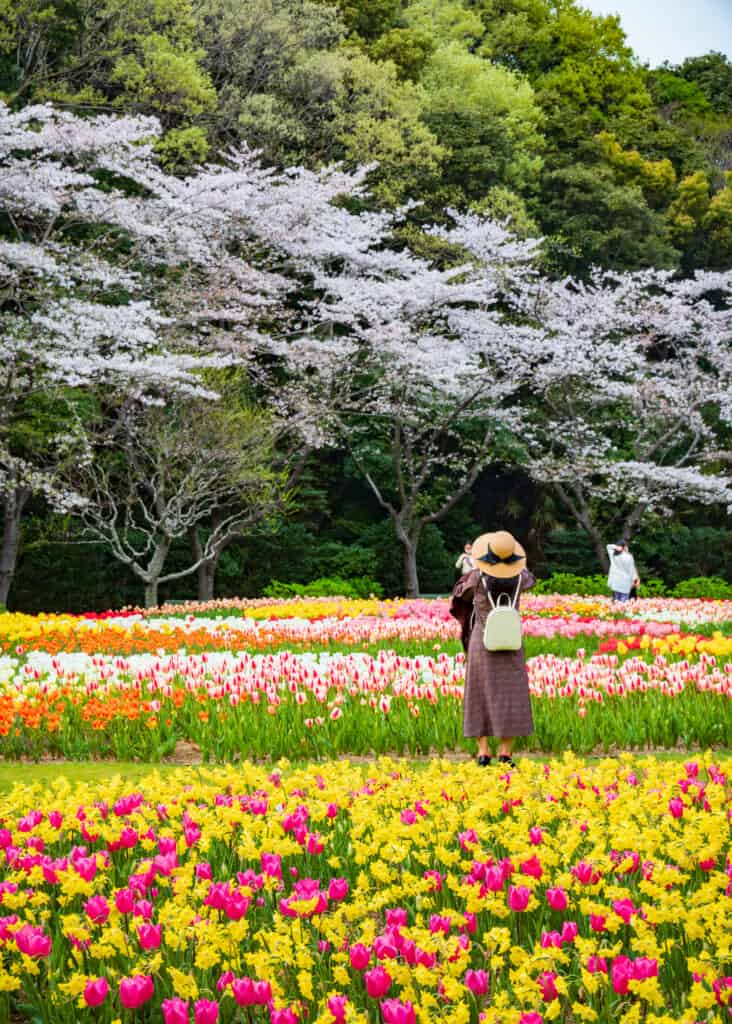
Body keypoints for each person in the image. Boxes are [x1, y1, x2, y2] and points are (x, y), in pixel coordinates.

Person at [449, 530, 535, 769]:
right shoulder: (521, 578)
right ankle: (506, 753)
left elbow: (459, 595)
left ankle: (483, 751)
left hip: (483, 640)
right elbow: (530, 577)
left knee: (479, 692)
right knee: (511, 695)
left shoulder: (475, 579)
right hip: (510, 640)